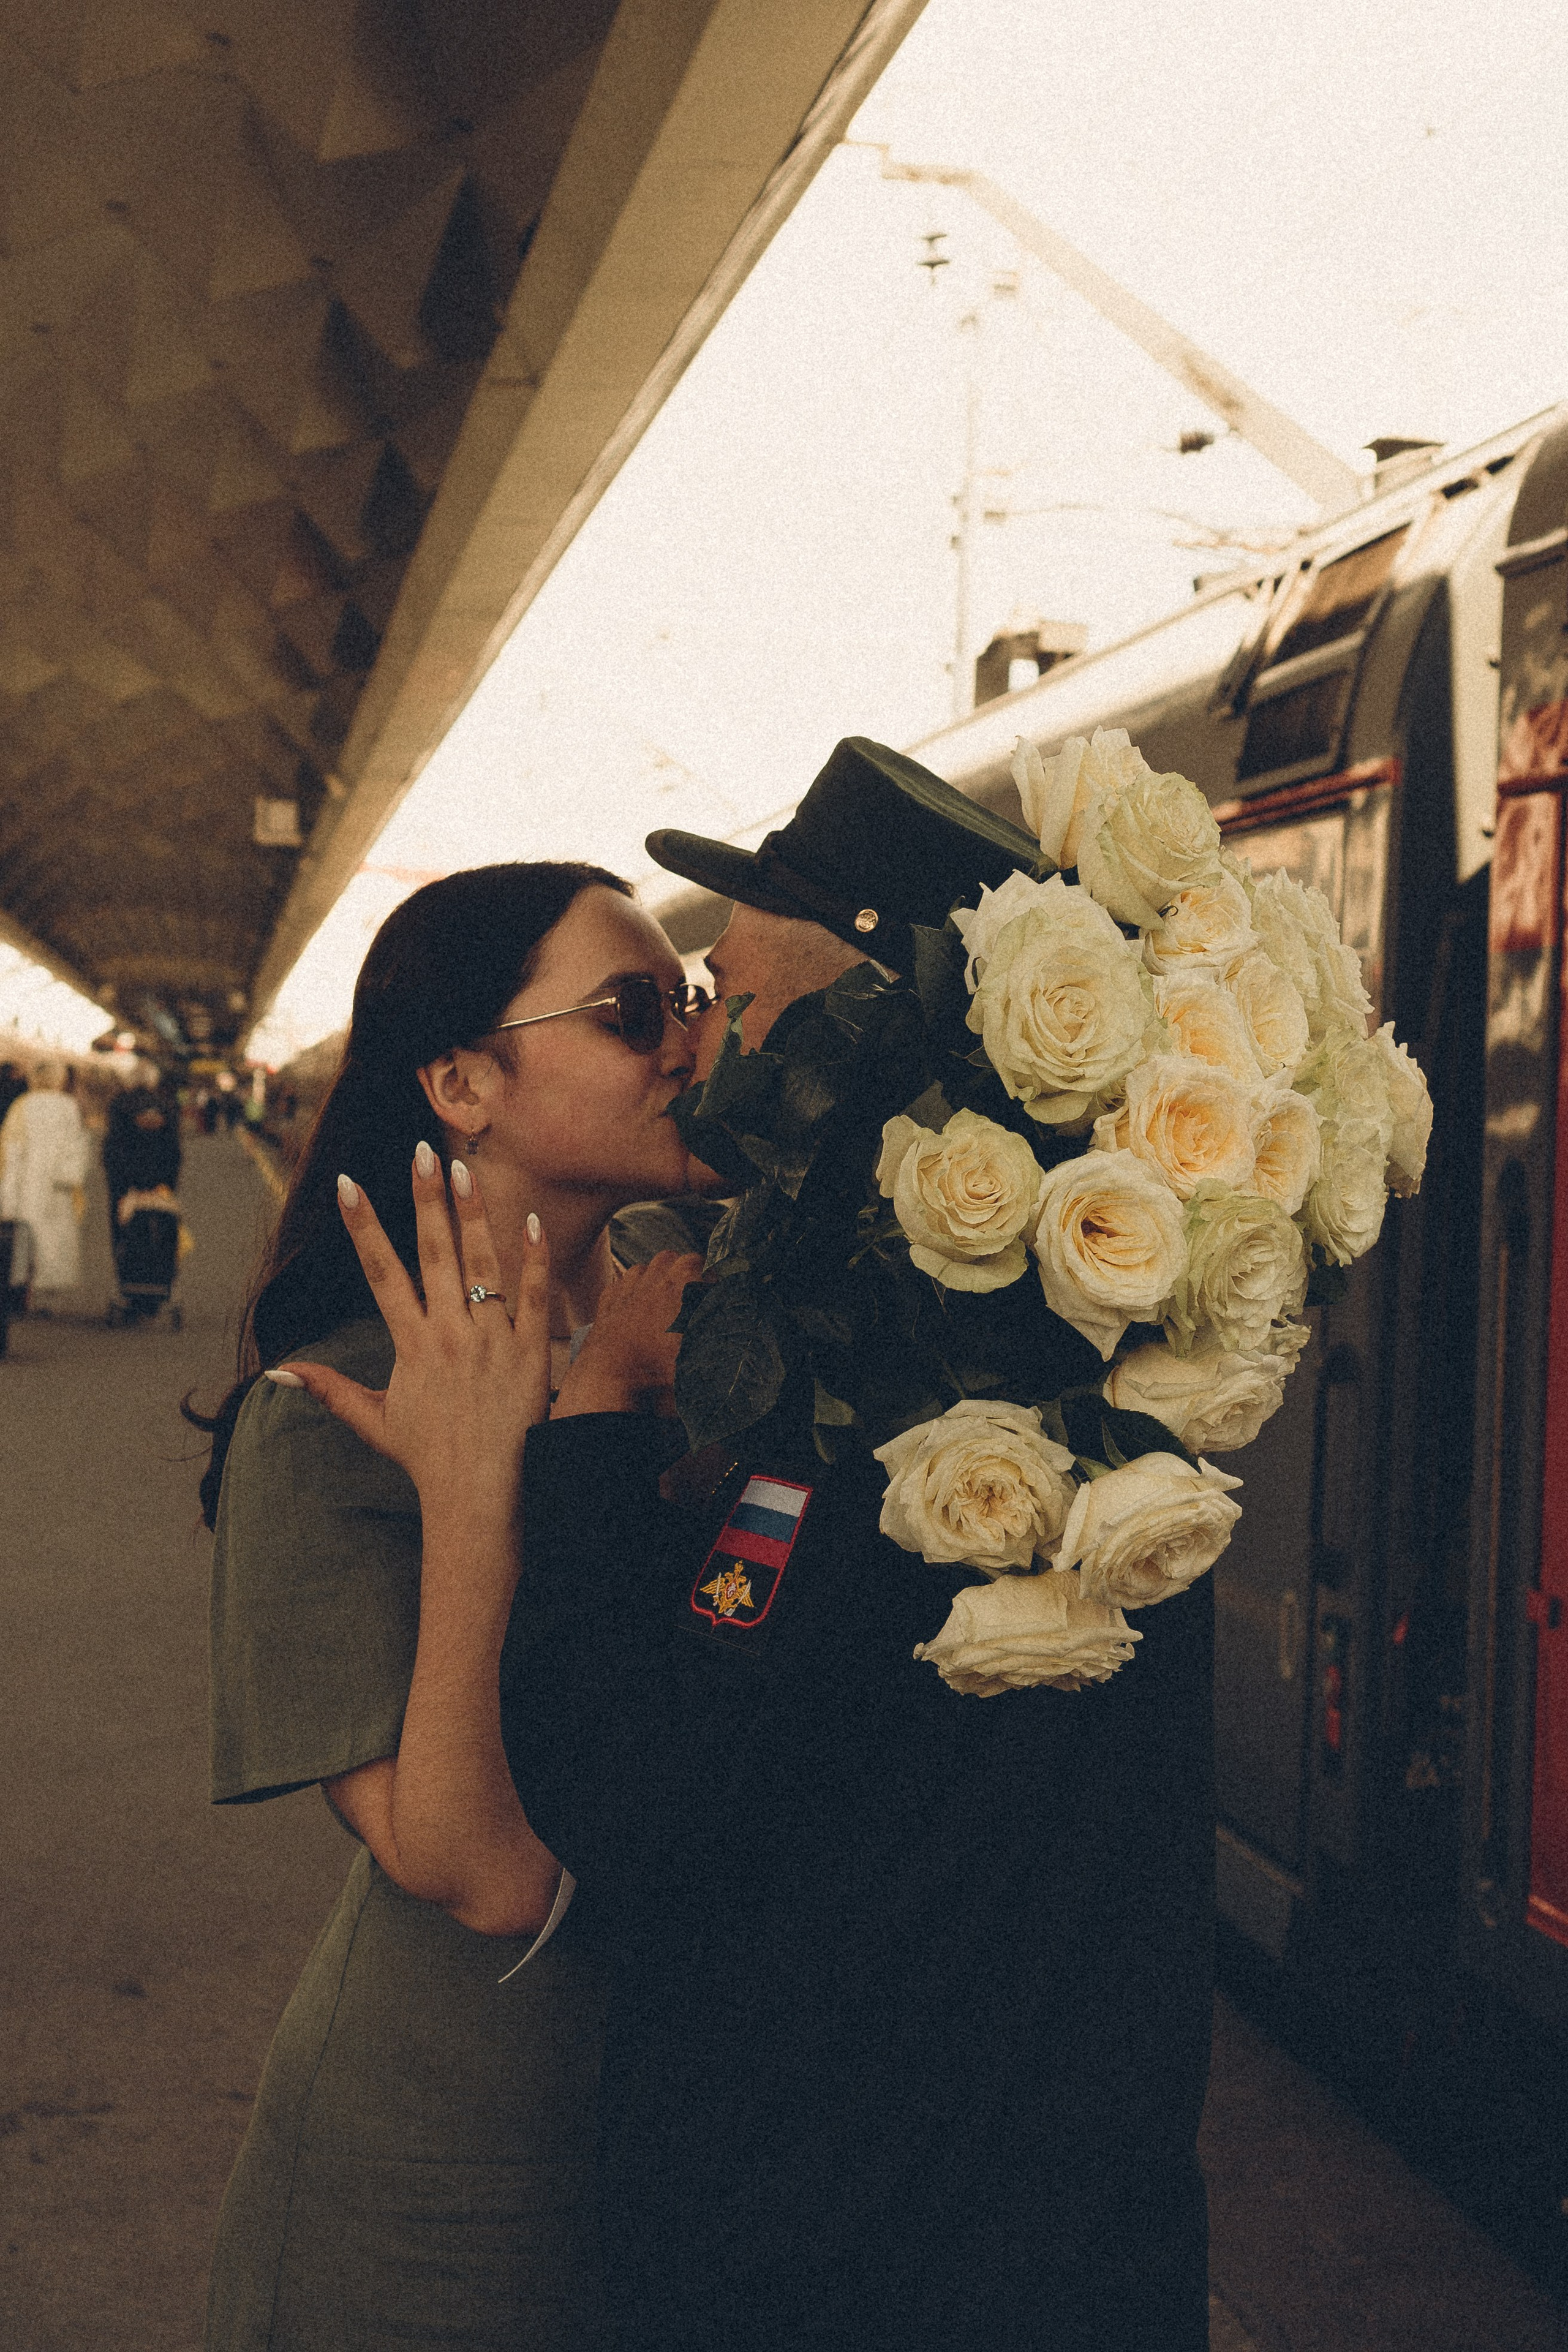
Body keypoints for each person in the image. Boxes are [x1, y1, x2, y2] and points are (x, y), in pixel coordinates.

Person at [498, 741, 1216, 2350]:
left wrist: (594, 1426)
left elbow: (642, 1799)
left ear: (856, 1018)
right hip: (1067, 2253)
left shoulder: (882, 1382)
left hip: (853, 2262)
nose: (699, 1040)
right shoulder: (1087, 1334)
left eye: (719, 990)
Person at [193, 861, 706, 2352]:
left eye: (686, 1001)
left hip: (680, 2153)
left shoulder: (694, 1333)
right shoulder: (326, 1409)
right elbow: (479, 1869)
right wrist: (497, 1478)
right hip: (445, 2188)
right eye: (630, 1011)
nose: (684, 1041)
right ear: (462, 1081)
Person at [0, 1055, 89, 1305]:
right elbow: (77, 1145)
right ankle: (48, 1296)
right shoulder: (69, 1106)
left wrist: (7, 1190)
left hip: (28, 1183)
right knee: (55, 1237)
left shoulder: (22, 1105)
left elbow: (12, 1150)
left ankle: (23, 1290)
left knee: (25, 1238)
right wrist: (70, 1176)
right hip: (58, 1186)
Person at [103, 1084, 182, 1262]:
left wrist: (121, 1188)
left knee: (123, 1229)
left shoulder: (120, 1117)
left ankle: (127, 1265)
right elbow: (174, 1158)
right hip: (160, 1189)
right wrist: (166, 1185)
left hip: (126, 1191)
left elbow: (113, 1159)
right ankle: (163, 1268)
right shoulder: (166, 1116)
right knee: (165, 1229)